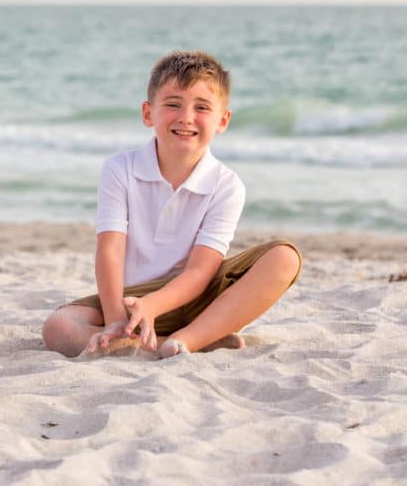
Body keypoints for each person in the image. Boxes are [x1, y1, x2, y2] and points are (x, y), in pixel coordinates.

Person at [42, 50, 302, 359]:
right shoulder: (120, 169)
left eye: (202, 107)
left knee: (285, 257)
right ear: (148, 113)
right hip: (129, 301)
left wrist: (154, 305)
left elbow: (200, 272)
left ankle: (189, 338)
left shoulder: (227, 185)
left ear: (223, 120)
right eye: (173, 104)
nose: (186, 117)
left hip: (198, 299)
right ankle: (182, 342)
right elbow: (110, 250)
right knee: (58, 327)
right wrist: (114, 318)